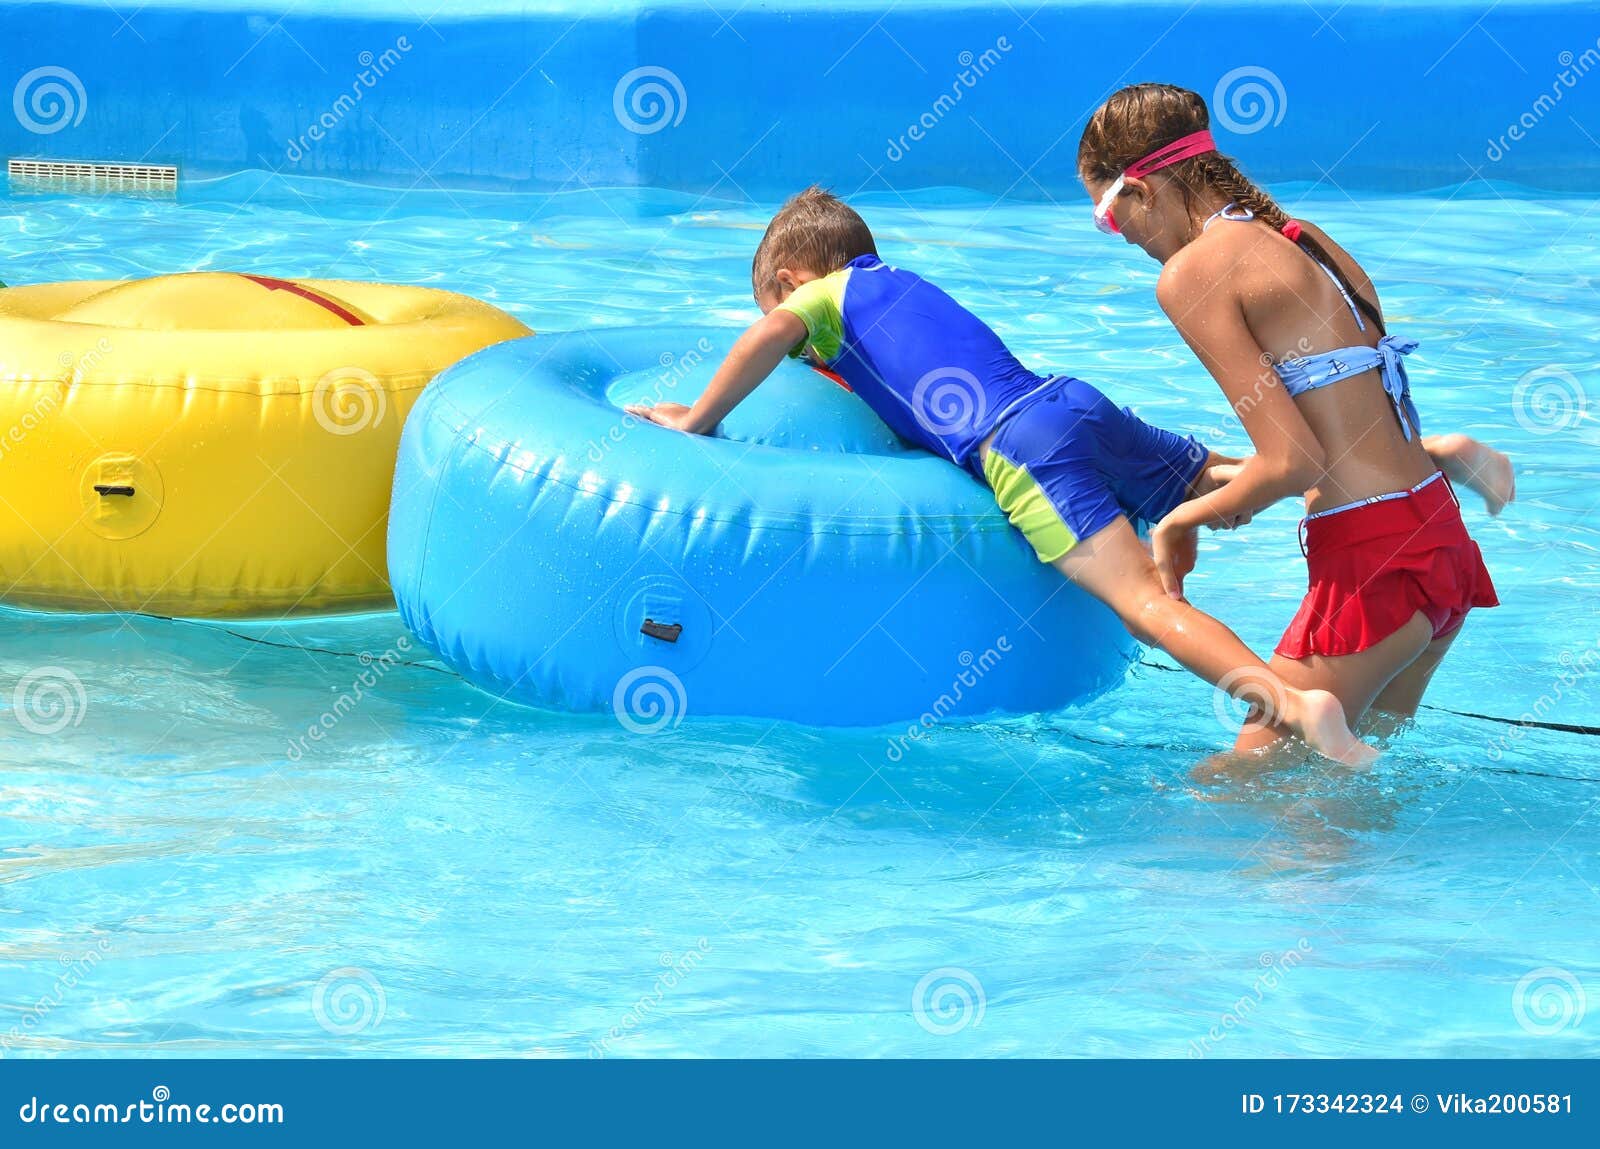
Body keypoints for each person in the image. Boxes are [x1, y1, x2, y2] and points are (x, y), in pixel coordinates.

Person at [626, 186, 1374, 764]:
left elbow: (772, 333)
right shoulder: (899, 282)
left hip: (1020, 448)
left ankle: (1296, 707)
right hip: (1069, 401)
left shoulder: (816, 300)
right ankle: (1413, 458)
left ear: (792, 279)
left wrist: (697, 420)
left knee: (1143, 602)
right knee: (1218, 473)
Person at [1077, 83, 1505, 753]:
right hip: (1436, 538)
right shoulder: (1302, 239)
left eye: (1105, 216)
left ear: (1142, 187)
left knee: (1234, 795)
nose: (1119, 236)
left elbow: (1293, 462)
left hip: (1372, 570)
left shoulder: (1191, 274)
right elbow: (1348, 417)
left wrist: (1179, 523)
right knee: (1342, 797)